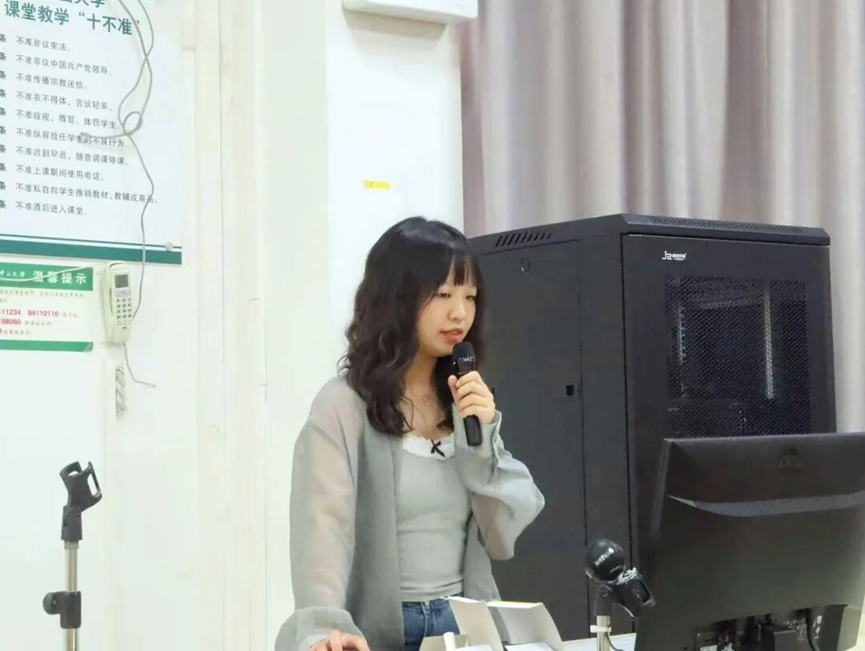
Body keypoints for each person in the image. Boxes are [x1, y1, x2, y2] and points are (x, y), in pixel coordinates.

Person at [275, 217, 545, 651]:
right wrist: (324, 628)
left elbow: (499, 536)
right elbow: (324, 526)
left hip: (465, 626)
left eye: (470, 296)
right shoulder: (343, 405)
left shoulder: (465, 399)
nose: (460, 313)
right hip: (379, 629)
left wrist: (484, 439)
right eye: (443, 295)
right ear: (397, 297)